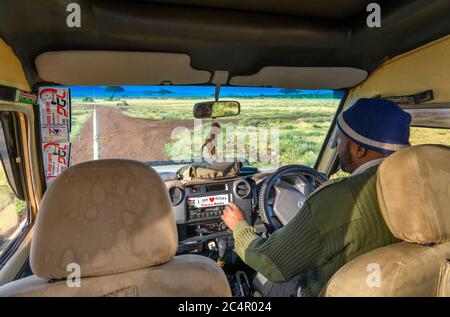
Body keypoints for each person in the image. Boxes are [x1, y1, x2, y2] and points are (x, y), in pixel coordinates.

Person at [221, 98, 412, 297]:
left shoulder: (339, 198)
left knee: (259, 276)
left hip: (327, 290)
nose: (338, 148)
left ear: (359, 149)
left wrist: (240, 227)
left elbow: (269, 262)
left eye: (341, 140)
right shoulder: (425, 186)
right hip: (397, 286)